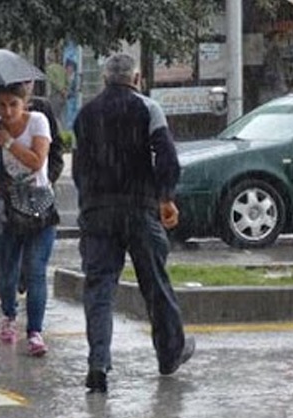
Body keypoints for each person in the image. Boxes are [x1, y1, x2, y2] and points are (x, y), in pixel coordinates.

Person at [72, 53, 195, 394]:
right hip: (138, 209)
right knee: (155, 284)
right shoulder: (147, 109)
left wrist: (89, 203)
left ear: (106, 79)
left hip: (98, 212)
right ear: (136, 78)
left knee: (99, 289)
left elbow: (79, 169)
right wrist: (166, 197)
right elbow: (166, 156)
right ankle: (170, 353)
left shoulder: (86, 114)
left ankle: (98, 362)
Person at [0, 82, 56, 357]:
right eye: (2, 105)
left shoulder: (38, 121)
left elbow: (37, 161)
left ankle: (35, 331)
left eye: (14, 104)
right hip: (7, 209)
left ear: (24, 103)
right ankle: (8, 315)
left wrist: (10, 143)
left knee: (36, 270)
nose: (8, 111)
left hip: (39, 207)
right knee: (5, 272)